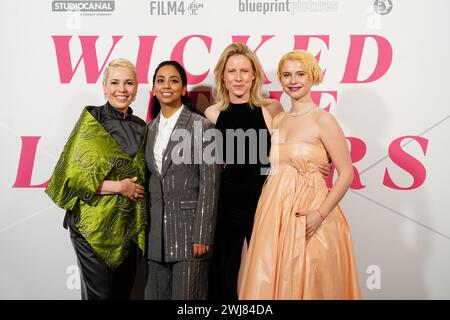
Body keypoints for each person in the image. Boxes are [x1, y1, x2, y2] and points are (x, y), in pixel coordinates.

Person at [205, 43, 330, 300]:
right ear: (223, 77)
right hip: (226, 200)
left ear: (254, 75)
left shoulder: (272, 109)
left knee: (269, 268)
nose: (238, 78)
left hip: (266, 197)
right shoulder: (212, 113)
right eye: (232, 71)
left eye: (244, 71)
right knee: (223, 271)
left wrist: (316, 163)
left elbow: (289, 148)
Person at [238, 50, 361, 299]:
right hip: (274, 213)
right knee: (271, 277)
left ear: (313, 76)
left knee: (310, 279)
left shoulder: (323, 119)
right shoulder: (278, 119)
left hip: (310, 213)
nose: (293, 80)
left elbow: (347, 173)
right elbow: (273, 165)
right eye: (287, 75)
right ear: (281, 80)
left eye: (300, 74)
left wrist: (319, 214)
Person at [45, 58, 147, 300]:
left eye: (128, 83)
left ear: (136, 87)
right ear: (104, 85)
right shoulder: (92, 122)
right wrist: (120, 187)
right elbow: (71, 179)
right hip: (91, 226)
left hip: (125, 226)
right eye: (114, 82)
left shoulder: (142, 127)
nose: (121, 89)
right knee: (99, 296)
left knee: (123, 294)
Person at [144, 60, 220, 300]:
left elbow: (210, 185)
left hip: (190, 238)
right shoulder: (149, 129)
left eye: (174, 80)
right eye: (160, 80)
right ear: (154, 89)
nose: (167, 86)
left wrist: (202, 235)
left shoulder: (202, 126)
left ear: (184, 89)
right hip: (155, 240)